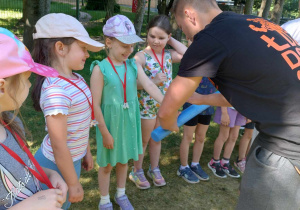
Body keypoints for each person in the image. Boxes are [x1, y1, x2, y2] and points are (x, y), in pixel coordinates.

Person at [158, 0, 300, 209]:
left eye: (182, 28)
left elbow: (165, 112)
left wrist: (170, 123)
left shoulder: (210, 37)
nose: (187, 37)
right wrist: (200, 98)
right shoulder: (255, 24)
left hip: (287, 148)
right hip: (280, 136)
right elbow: (249, 92)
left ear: (190, 15)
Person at [90, 15, 164, 210]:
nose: (129, 50)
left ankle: (121, 194)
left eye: (132, 46)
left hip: (129, 121)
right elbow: (95, 105)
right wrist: (105, 132)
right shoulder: (100, 69)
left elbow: (148, 84)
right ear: (109, 42)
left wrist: (167, 103)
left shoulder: (132, 65)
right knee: (107, 165)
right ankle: (104, 200)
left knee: (124, 160)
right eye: (125, 45)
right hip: (110, 124)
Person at [31, 13, 104, 210]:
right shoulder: (56, 90)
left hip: (72, 162)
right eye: (83, 48)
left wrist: (85, 151)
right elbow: (58, 143)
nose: (87, 54)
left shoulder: (77, 79)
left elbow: (81, 122)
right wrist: (73, 183)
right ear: (60, 48)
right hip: (55, 165)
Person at [0, 27, 68, 209]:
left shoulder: (11, 122)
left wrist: (49, 174)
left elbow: (22, 166)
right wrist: (33, 204)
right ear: (1, 86)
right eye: (27, 77)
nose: (30, 84)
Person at [130, 15, 187, 189]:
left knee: (157, 138)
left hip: (164, 106)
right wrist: (153, 81)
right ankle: (136, 170)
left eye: (161, 38)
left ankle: (154, 168)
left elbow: (188, 54)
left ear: (169, 37)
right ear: (146, 34)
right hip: (146, 106)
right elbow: (134, 84)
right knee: (144, 140)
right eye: (152, 36)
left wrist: (170, 41)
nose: (156, 41)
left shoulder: (169, 55)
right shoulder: (141, 56)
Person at [177, 77, 215, 183]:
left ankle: (195, 164)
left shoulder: (215, 64)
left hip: (207, 106)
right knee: (188, 137)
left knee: (201, 137)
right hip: (191, 106)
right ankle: (183, 167)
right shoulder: (193, 63)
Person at [208, 107, 245, 178]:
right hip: (228, 107)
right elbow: (224, 95)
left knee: (234, 136)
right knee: (224, 136)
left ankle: (225, 162)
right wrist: (224, 112)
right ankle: (214, 162)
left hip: (241, 107)